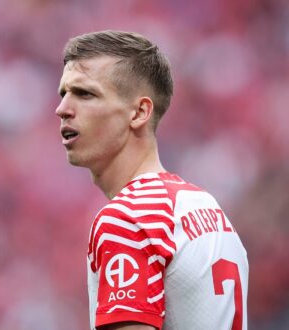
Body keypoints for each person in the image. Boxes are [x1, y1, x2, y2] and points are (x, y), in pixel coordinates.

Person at [55, 30, 248, 330]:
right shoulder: (207, 207)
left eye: (85, 94)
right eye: (64, 93)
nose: (63, 109)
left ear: (139, 112)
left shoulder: (128, 218)